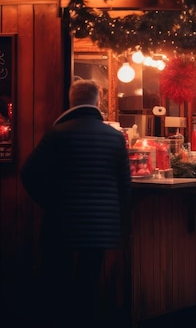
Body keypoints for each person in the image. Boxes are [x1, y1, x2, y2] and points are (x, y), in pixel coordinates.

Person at [21, 79, 131, 327]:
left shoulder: (57, 134)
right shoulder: (114, 138)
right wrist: (115, 218)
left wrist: (50, 203)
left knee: (58, 281)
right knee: (88, 284)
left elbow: (28, 173)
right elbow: (124, 186)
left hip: (62, 223)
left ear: (71, 100)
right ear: (97, 101)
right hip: (100, 228)